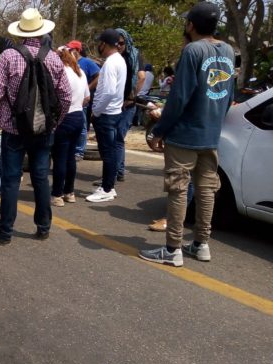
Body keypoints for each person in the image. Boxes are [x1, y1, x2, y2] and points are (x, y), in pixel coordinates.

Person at [140, 1, 235, 267]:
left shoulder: (192, 51)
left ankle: (172, 249)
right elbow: (229, 96)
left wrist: (159, 130)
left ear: (191, 25)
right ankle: (201, 244)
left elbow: (179, 98)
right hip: (211, 134)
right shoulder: (227, 50)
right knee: (206, 190)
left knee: (178, 190)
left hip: (185, 135)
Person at [0, 8, 72, 245]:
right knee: (41, 178)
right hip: (44, 129)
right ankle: (43, 227)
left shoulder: (8, 56)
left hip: (14, 128)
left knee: (11, 180)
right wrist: (55, 121)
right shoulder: (54, 58)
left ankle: (5, 232)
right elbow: (65, 95)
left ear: (21, 31)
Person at [85, 29, 127, 203]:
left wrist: (97, 110)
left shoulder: (110, 63)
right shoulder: (119, 60)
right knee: (110, 151)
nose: (98, 46)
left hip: (107, 113)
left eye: (99, 42)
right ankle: (107, 184)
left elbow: (109, 91)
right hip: (114, 112)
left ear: (104, 44)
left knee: (107, 153)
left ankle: (107, 189)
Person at [51, 48, 89, 207]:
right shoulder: (80, 73)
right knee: (70, 156)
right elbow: (87, 97)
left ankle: (57, 194)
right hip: (78, 115)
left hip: (64, 117)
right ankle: (69, 192)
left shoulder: (60, 73)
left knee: (59, 157)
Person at [114, 28, 146, 182]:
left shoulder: (134, 55)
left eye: (121, 43)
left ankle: (116, 172)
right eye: (116, 43)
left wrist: (131, 96)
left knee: (118, 136)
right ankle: (117, 171)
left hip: (128, 104)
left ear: (127, 42)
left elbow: (141, 77)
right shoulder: (114, 57)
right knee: (115, 137)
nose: (118, 46)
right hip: (116, 103)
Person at [66, 40, 100, 161]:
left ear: (77, 50)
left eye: (71, 49)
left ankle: (79, 151)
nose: (69, 51)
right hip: (71, 101)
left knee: (83, 126)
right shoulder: (69, 63)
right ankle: (72, 149)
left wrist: (88, 88)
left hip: (83, 100)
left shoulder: (86, 62)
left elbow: (99, 75)